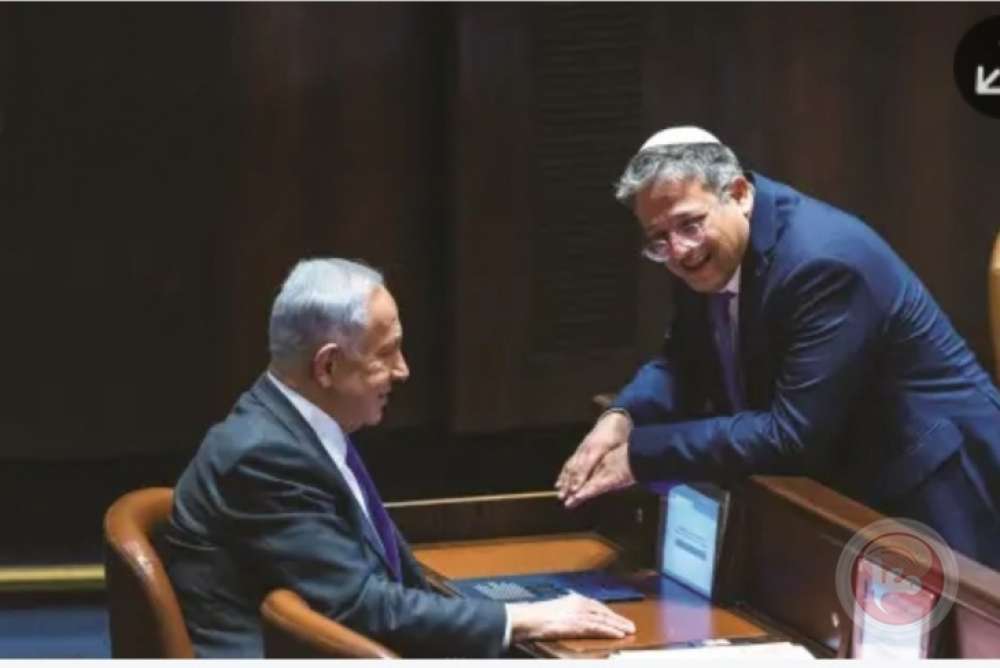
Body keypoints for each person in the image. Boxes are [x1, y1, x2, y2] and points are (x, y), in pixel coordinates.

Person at [555, 126, 1000, 569]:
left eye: (690, 224)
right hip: (848, 477)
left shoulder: (823, 262)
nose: (680, 250)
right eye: (659, 238)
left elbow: (792, 435)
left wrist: (642, 455)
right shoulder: (707, 250)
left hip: (935, 480)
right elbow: (682, 360)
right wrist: (624, 417)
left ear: (739, 194)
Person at [164, 258, 635, 657]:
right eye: (386, 353)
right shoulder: (264, 456)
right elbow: (357, 605)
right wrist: (522, 619)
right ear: (327, 366)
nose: (403, 370)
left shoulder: (293, 429)